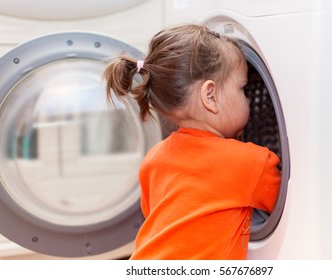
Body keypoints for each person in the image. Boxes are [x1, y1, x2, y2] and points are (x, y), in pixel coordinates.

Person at [102, 24, 281, 260]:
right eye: (242, 88)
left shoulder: (153, 160)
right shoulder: (250, 163)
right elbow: (297, 202)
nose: (247, 99)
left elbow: (157, 214)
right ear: (210, 96)